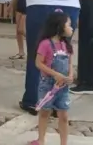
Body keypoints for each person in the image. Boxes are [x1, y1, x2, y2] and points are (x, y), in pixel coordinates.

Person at [18, 0, 93, 114]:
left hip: (39, 7)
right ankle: (54, 103)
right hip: (68, 10)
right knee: (60, 55)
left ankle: (32, 100)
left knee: (37, 52)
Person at [32, 11, 74, 145]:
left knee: (64, 116)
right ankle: (41, 139)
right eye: (69, 25)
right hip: (48, 85)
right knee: (45, 112)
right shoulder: (45, 44)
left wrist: (71, 75)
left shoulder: (67, 45)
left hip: (63, 86)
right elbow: (38, 63)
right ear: (59, 26)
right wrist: (55, 74)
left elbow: (70, 63)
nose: (71, 28)